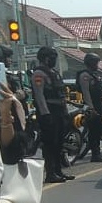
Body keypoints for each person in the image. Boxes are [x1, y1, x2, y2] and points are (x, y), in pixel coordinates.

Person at [31, 46, 74, 183]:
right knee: (50, 144)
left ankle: (58, 171)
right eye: (52, 57)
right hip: (49, 113)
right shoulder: (39, 74)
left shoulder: (54, 72)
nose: (54, 60)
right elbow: (39, 96)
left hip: (59, 111)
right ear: (46, 58)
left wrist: (65, 112)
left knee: (59, 143)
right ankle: (50, 173)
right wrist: (45, 114)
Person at [76, 53, 102, 163]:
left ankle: (98, 153)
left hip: (99, 104)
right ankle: (95, 154)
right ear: (90, 63)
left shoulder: (95, 74)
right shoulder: (85, 75)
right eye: (95, 62)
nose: (97, 65)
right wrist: (91, 108)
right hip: (92, 106)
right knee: (93, 131)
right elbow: (86, 93)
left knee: (99, 129)